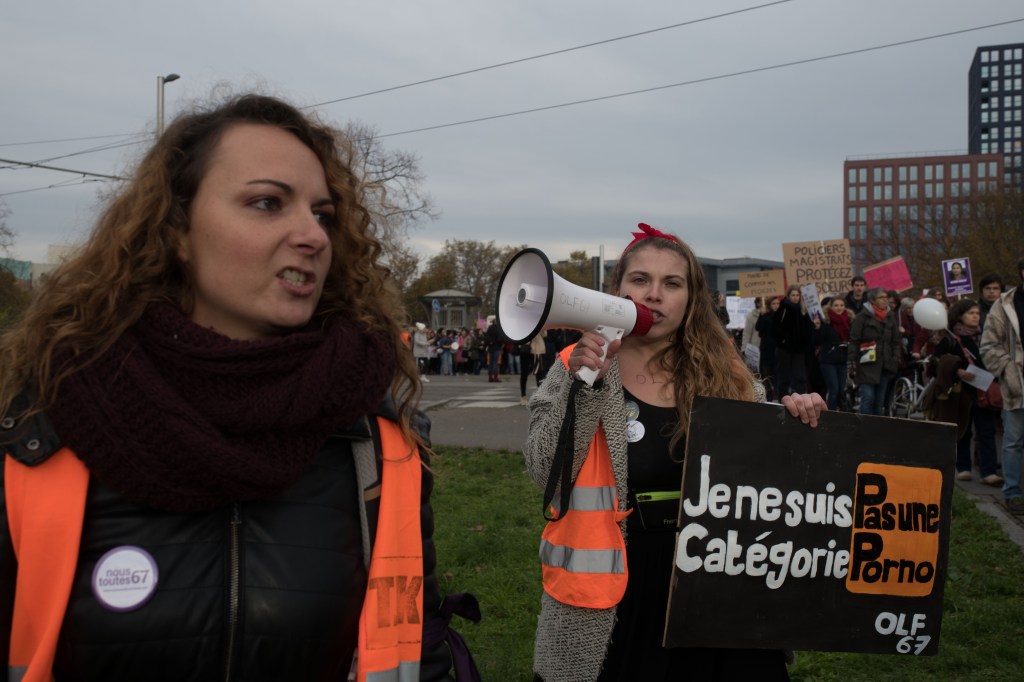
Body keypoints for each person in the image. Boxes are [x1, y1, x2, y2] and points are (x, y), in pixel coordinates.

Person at [0, 94, 468, 680]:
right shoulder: (40, 425)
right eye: (268, 203)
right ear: (176, 230)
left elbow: (417, 651)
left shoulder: (377, 437)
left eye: (323, 214)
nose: (314, 236)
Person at [524, 223, 825, 682]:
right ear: (619, 291)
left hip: (717, 578)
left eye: (672, 283)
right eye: (640, 279)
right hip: (617, 592)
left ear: (691, 298)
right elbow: (545, 469)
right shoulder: (574, 364)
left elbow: (767, 479)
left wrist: (796, 423)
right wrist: (586, 387)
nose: (654, 295)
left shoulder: (727, 374)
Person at [980, 258, 1024, 515]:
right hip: (1016, 382)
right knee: (1013, 441)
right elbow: (989, 344)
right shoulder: (1005, 303)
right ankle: (1013, 492)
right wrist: (1008, 368)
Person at [848, 287, 901, 416]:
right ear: (872, 300)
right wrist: (851, 362)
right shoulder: (861, 317)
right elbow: (854, 341)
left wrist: (895, 359)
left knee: (879, 401)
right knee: (868, 398)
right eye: (881, 297)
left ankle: (876, 427)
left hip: (885, 364)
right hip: (867, 364)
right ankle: (865, 426)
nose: (885, 300)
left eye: (886, 297)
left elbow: (896, 342)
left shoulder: (890, 317)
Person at [771, 285, 812, 395]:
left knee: (800, 377)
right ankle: (783, 399)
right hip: (784, 349)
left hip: (799, 349)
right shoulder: (783, 308)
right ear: (788, 296)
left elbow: (808, 329)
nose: (795, 297)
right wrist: (782, 341)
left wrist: (805, 343)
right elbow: (774, 328)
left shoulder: (803, 310)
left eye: (797, 295)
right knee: (784, 377)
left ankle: (801, 399)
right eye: (793, 295)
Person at [812, 297, 850, 411]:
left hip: (843, 360)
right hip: (828, 360)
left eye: (841, 305)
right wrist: (817, 328)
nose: (839, 308)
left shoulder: (848, 320)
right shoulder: (825, 321)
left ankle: (838, 412)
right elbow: (818, 341)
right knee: (834, 389)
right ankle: (830, 414)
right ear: (831, 307)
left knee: (841, 390)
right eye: (836, 305)